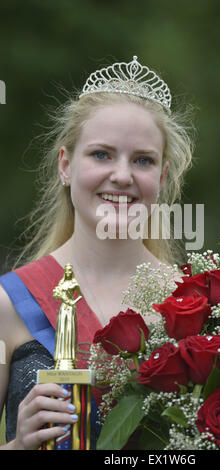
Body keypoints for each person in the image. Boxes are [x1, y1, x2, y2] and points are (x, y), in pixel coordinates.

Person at [0, 55, 194, 450]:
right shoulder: (7, 305)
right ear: (66, 165)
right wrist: (19, 445)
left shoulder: (194, 304)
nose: (122, 175)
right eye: (102, 154)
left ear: (160, 177)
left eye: (143, 160)